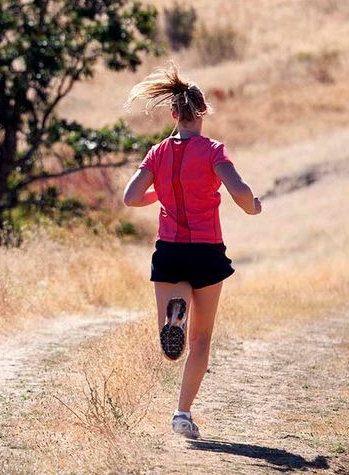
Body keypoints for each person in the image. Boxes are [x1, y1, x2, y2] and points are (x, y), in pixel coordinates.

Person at [121, 62, 261, 440]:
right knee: (200, 341)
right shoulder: (213, 151)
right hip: (207, 250)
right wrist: (253, 206)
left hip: (169, 250)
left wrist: (161, 192)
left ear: (173, 114)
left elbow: (130, 197)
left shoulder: (157, 153)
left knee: (172, 345)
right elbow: (240, 190)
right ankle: (182, 415)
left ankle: (175, 316)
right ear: (202, 112)